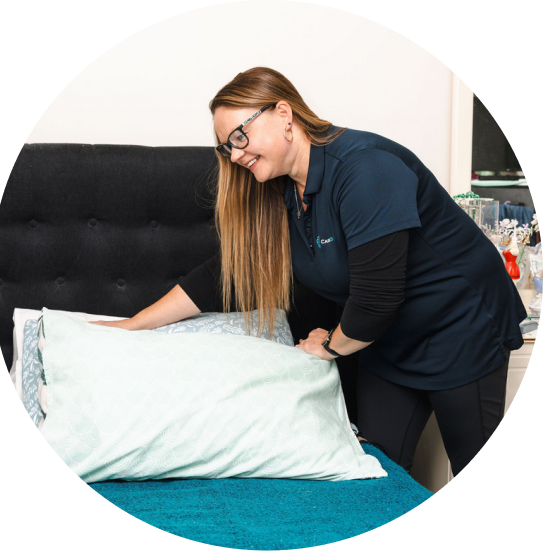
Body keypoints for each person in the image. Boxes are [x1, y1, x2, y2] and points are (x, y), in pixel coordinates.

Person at [92, 67, 527, 477]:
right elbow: (225, 275)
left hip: (459, 327)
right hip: (383, 340)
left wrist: (329, 347)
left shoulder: (365, 168)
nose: (236, 154)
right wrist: (132, 326)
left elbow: (376, 299)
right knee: (369, 471)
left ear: (284, 113)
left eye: (241, 136)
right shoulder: (280, 190)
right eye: (227, 146)